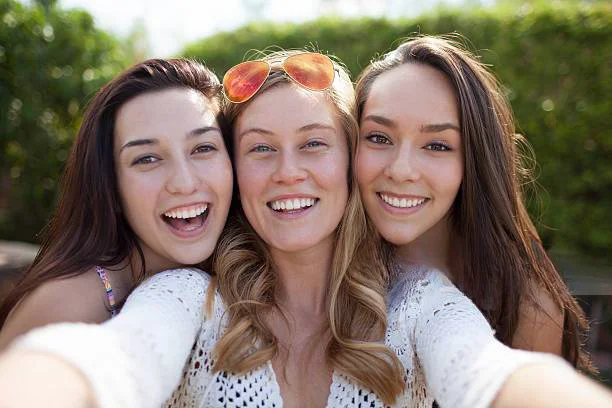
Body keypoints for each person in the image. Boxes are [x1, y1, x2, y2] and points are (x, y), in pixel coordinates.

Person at [0, 50, 610, 408]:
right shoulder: (188, 298)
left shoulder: (420, 302)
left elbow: (489, 373)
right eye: (261, 149)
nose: (288, 173)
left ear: (348, 161)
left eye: (314, 145)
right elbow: (112, 360)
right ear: (236, 170)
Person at [354, 35, 592, 371]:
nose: (401, 170)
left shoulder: (524, 306)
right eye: (378, 138)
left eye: (437, 146)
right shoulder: (323, 275)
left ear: (475, 159)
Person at [0, 58, 233, 350]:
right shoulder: (69, 305)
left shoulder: (245, 269)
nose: (184, 183)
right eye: (147, 158)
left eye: (203, 148)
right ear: (110, 185)